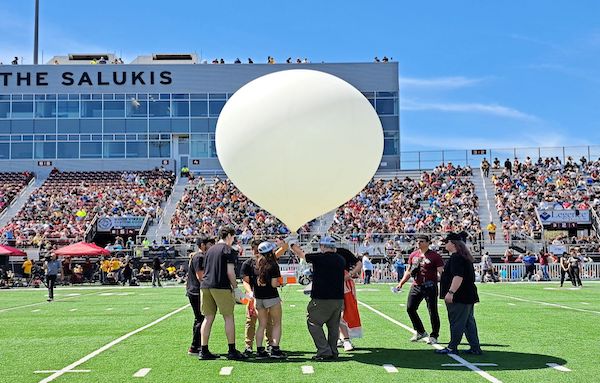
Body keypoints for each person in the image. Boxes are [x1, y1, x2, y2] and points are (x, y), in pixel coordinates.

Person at [290, 236, 346, 361]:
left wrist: (292, 245)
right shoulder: (341, 259)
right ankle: (333, 350)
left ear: (323, 246)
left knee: (313, 322)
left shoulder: (319, 257)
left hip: (322, 297)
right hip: (338, 298)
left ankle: (324, 350)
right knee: (333, 326)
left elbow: (302, 255)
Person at [199, 226, 247, 360]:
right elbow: (230, 272)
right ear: (229, 235)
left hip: (205, 285)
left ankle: (204, 350)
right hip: (220, 285)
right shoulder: (228, 250)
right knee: (228, 317)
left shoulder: (210, 250)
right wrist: (236, 288)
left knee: (208, 318)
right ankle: (231, 350)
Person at [436, 232, 481, 355]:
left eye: (447, 241)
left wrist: (450, 292)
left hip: (460, 296)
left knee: (457, 322)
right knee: (468, 322)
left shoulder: (456, 257)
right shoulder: (463, 256)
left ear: (453, 243)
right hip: (468, 294)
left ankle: (452, 347)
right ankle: (475, 347)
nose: (445, 244)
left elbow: (458, 276)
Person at [396, 235, 444, 344]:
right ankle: (420, 331)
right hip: (416, 285)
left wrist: (441, 283)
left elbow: (441, 272)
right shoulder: (413, 255)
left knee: (432, 311)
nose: (419, 243)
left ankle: (434, 335)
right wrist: (401, 283)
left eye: (421, 241)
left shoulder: (435, 256)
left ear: (428, 243)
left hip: (430, 286)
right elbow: (409, 271)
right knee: (410, 308)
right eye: (417, 241)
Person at [241, 241, 286, 359]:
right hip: (271, 297)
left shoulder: (253, 263)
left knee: (261, 325)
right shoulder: (272, 264)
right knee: (276, 324)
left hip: (258, 298)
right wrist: (282, 283)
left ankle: (260, 350)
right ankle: (275, 349)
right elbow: (274, 284)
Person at [186, 235, 214, 356]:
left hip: (194, 290)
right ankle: (195, 346)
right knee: (201, 318)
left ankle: (196, 346)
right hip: (197, 291)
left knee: (199, 318)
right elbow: (200, 276)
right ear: (203, 245)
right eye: (209, 244)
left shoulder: (198, 256)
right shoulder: (200, 257)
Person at [336, 247, 363, 352]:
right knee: (334, 312)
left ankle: (345, 339)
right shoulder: (322, 254)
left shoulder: (342, 251)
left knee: (343, 311)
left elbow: (359, 264)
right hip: (331, 283)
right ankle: (339, 338)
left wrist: (350, 274)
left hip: (343, 283)